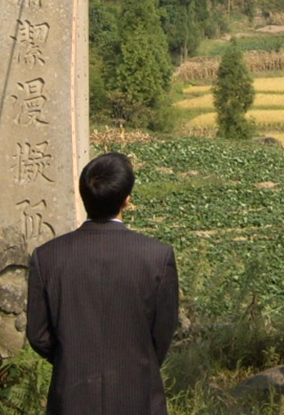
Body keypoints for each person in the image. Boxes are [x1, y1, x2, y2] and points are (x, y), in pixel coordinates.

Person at [26, 152, 179, 415]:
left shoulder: (48, 256)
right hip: (137, 395)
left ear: (83, 195)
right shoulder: (156, 257)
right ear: (127, 199)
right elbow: (162, 332)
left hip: (71, 397)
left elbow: (38, 335)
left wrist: (71, 358)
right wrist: (138, 361)